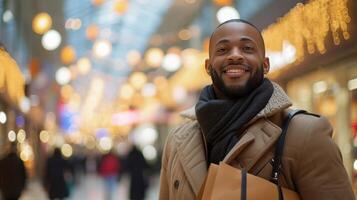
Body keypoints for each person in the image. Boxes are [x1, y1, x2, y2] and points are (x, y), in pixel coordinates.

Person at [159, 19, 355, 200]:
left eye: (247, 48)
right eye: (223, 50)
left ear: (265, 64)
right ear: (208, 66)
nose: (235, 55)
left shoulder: (306, 134)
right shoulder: (177, 141)